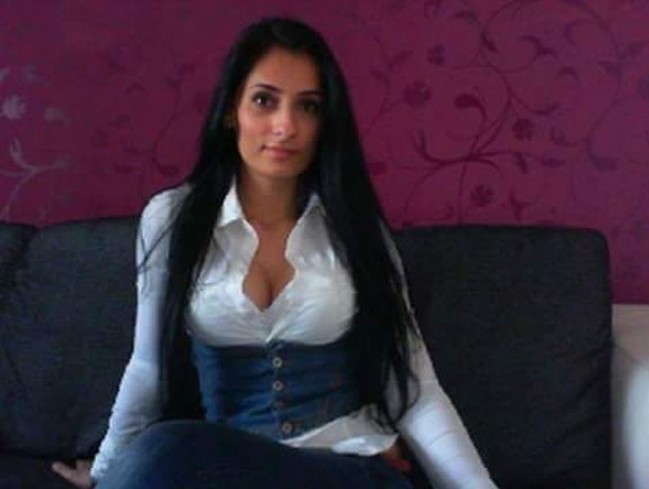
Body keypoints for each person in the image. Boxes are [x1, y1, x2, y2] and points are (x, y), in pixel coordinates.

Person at [52, 17, 497, 489]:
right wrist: (108, 471)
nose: (286, 126)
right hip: (231, 471)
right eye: (265, 101)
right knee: (164, 451)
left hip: (346, 469)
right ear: (232, 110)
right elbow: (148, 369)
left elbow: (415, 390)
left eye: (308, 106)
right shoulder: (172, 219)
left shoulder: (354, 227)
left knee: (165, 452)